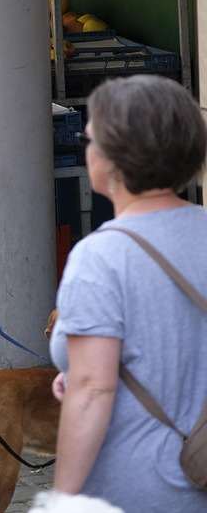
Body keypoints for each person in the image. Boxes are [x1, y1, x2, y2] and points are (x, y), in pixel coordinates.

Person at [50, 75, 207, 510]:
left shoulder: (101, 255)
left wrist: (62, 500)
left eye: (91, 138)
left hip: (139, 486)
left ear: (116, 158)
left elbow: (92, 390)